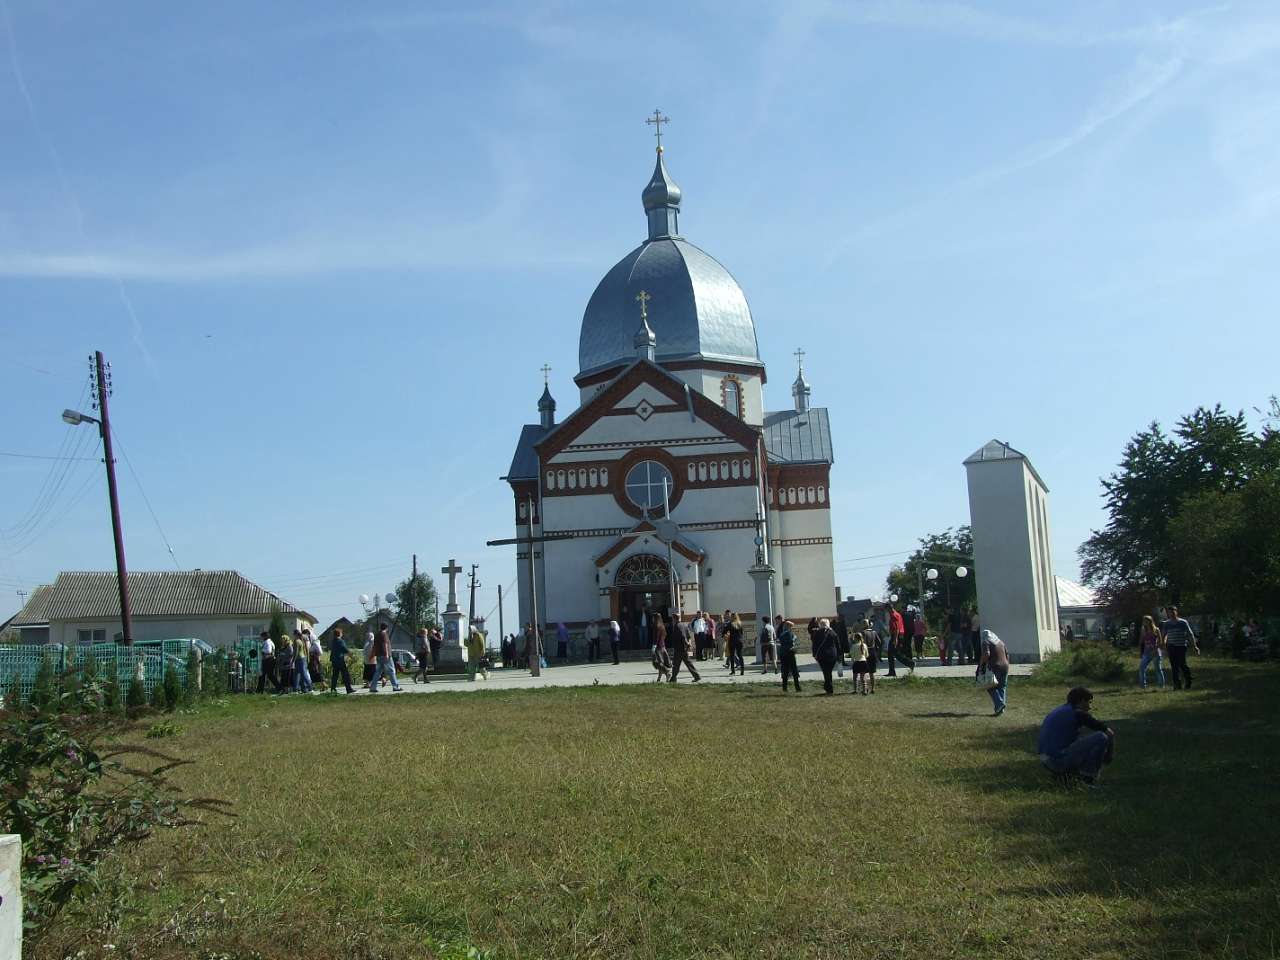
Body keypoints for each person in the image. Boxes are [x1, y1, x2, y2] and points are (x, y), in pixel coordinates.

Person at [1038, 687, 1116, 784]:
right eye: (1089, 702)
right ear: (1082, 701)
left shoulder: (1061, 710)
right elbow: (1109, 733)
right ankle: (1087, 778)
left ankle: (1066, 776)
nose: (1090, 707)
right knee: (1101, 737)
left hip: (1046, 759)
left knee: (1083, 741)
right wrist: (1109, 753)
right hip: (1056, 761)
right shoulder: (1077, 713)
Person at [1160, 605, 1199, 690]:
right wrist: (1163, 646)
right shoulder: (1167, 623)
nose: (1171, 614)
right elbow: (1164, 635)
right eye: (1170, 612)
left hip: (1181, 646)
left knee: (1182, 664)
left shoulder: (1183, 622)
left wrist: (1195, 646)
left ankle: (1188, 680)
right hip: (1171, 646)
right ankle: (1177, 685)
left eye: (1173, 612)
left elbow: (1190, 634)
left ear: (1176, 612)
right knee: (1174, 666)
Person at [978, 628, 1010, 716]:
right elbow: (1007, 654)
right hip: (1005, 666)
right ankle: (1000, 709)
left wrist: (981, 664)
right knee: (1002, 686)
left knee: (990, 686)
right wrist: (1007, 664)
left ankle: (999, 704)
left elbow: (986, 654)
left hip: (995, 666)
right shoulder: (1000, 642)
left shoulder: (986, 642)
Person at [811, 617, 841, 695]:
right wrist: (839, 655)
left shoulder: (817, 633)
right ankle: (827, 687)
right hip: (832, 655)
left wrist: (814, 655)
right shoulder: (833, 633)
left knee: (826, 672)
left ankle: (829, 688)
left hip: (822, 655)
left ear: (820, 624)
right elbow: (838, 645)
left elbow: (814, 645)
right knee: (828, 672)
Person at [369, 623, 402, 693]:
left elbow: (374, 646)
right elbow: (385, 644)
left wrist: (372, 655)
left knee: (377, 672)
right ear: (386, 628)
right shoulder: (384, 634)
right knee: (391, 671)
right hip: (385, 655)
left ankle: (372, 687)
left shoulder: (377, 635)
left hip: (378, 655)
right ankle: (396, 686)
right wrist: (387, 654)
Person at [668, 615, 702, 683]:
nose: (672, 620)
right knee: (688, 663)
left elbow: (683, 636)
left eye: (673, 619)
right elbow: (688, 636)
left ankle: (673, 678)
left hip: (679, 648)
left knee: (676, 664)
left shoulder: (677, 626)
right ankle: (697, 676)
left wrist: (687, 643)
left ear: (674, 619)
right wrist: (688, 644)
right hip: (684, 648)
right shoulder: (684, 625)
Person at [1137, 615, 1165, 689]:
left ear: (1150, 621)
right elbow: (1141, 641)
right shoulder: (1143, 630)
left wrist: (1155, 649)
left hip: (1155, 652)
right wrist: (1141, 652)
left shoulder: (1156, 629)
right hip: (1146, 652)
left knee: (1158, 669)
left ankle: (1161, 685)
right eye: (1144, 621)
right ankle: (1143, 686)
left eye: (1146, 621)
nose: (1144, 623)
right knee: (1142, 668)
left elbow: (1160, 641)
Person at [886, 603, 911, 676]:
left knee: (895, 654)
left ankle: (910, 663)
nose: (887, 611)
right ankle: (892, 671)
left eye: (887, 609)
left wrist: (895, 639)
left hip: (896, 636)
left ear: (889, 608)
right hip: (899, 635)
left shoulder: (894, 615)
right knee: (892, 654)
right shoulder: (898, 614)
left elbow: (896, 628)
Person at [329, 627, 355, 694]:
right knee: (345, 675)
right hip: (340, 660)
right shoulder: (340, 641)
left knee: (335, 675)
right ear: (339, 634)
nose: (342, 634)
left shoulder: (333, 641)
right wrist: (351, 656)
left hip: (334, 660)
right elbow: (344, 649)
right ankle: (348, 689)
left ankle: (333, 689)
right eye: (341, 633)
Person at [778, 619, 801, 692]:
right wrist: (794, 638)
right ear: (788, 626)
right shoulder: (788, 633)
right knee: (794, 670)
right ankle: (797, 687)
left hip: (783, 653)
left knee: (785, 670)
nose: (792, 628)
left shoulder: (781, 634)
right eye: (791, 627)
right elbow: (791, 642)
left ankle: (784, 688)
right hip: (789, 653)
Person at [861, 619, 879, 694]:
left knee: (863, 672)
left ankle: (865, 689)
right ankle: (873, 689)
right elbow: (879, 642)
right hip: (873, 652)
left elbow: (861, 643)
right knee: (871, 672)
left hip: (865, 652)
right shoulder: (874, 632)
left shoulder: (863, 632)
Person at [652, 615, 671, 682]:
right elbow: (665, 635)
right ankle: (659, 678)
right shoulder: (662, 626)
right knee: (661, 662)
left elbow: (656, 637)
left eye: (653, 618)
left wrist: (654, 645)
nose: (652, 619)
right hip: (662, 645)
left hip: (658, 646)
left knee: (657, 662)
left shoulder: (656, 626)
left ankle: (667, 672)